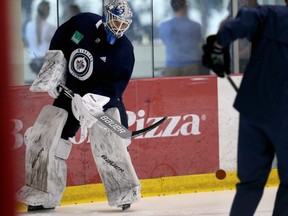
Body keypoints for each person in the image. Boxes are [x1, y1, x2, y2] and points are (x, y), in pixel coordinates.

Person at [17, 0, 141, 212]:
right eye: (116, 21)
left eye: (124, 24)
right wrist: (55, 74)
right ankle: (42, 194)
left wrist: (94, 103)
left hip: (102, 101)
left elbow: (115, 88)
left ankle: (124, 190)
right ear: (106, 16)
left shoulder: (124, 50)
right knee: (45, 137)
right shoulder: (81, 24)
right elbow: (60, 42)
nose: (119, 28)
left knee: (109, 142)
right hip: (70, 93)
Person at [202, 2, 288, 216]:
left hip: (253, 111)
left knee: (250, 183)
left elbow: (243, 21)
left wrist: (217, 47)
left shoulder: (270, 14)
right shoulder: (272, 14)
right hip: (284, 118)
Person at [159, 0, 204, 76]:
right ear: (185, 6)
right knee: (192, 88)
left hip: (172, 65)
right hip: (192, 65)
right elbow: (200, 43)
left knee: (171, 88)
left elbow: (165, 41)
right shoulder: (195, 26)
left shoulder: (164, 26)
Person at [219, 0, 260, 73]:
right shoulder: (225, 23)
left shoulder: (253, 20)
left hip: (248, 60)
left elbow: (257, 42)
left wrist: (240, 54)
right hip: (232, 61)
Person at [25, 0, 56, 75]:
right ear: (47, 12)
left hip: (33, 61)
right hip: (46, 61)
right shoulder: (50, 27)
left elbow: (27, 42)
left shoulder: (29, 25)